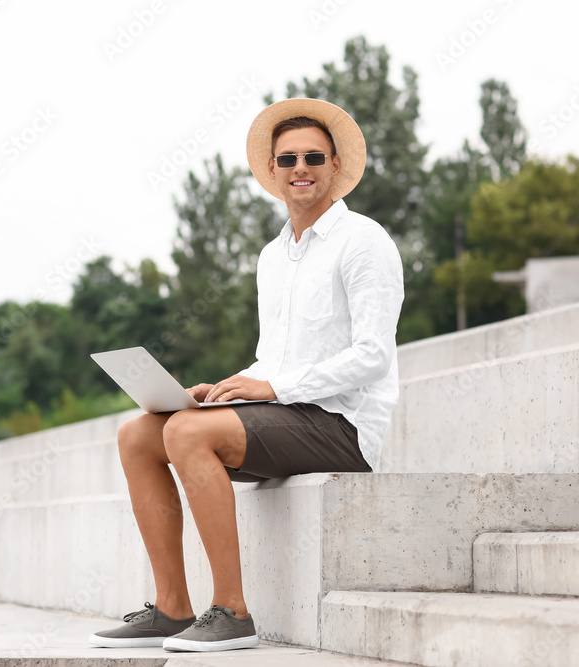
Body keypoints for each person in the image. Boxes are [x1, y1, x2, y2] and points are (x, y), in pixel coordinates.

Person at [88, 98, 404, 653]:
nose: (300, 168)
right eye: (287, 159)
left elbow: (372, 355)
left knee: (186, 433)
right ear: (273, 172)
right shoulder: (273, 256)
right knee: (138, 432)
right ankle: (170, 609)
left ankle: (232, 611)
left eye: (313, 156)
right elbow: (274, 360)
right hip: (285, 414)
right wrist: (224, 387)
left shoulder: (365, 242)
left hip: (342, 427)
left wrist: (272, 389)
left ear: (335, 166)